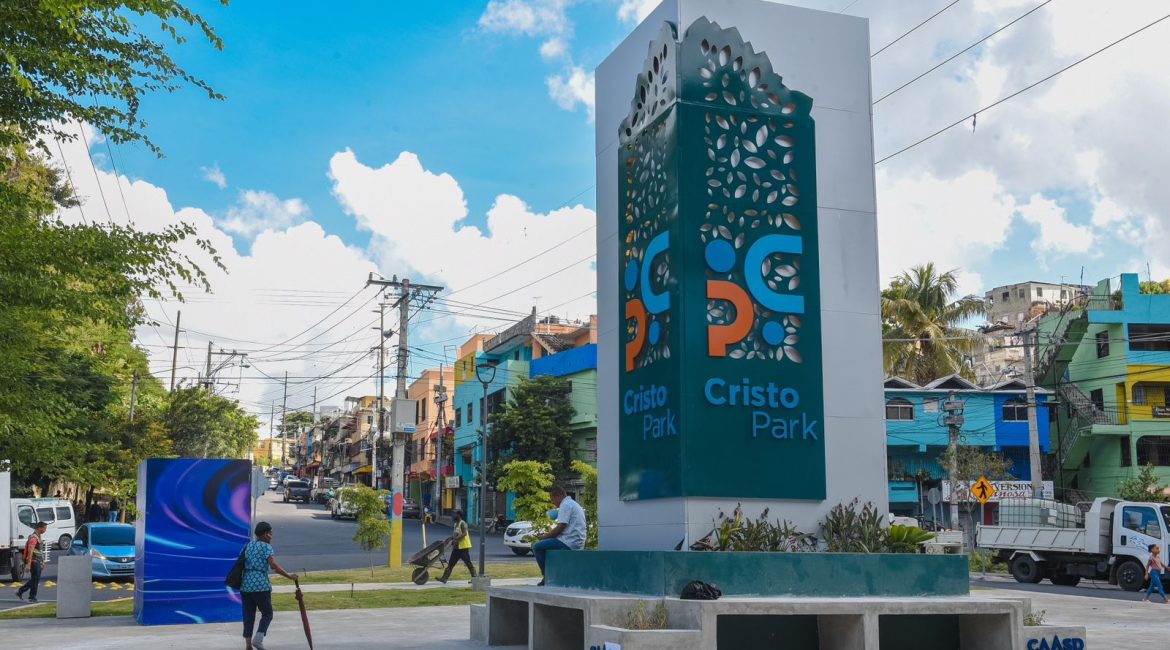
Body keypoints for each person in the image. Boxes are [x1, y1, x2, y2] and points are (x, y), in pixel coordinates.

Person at [240, 521, 298, 650]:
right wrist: (289, 576)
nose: (272, 535)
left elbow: (241, 563)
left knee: (249, 616)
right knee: (267, 613)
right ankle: (258, 640)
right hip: (260, 585)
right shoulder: (267, 547)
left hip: (245, 585)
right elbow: (274, 566)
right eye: (271, 533)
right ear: (265, 534)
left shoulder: (247, 546)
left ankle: (248, 645)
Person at [531, 485, 587, 586]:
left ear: (558, 496)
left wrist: (543, 537)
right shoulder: (573, 504)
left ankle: (547, 576)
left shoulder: (565, 505)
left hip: (569, 542)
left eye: (552, 499)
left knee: (537, 546)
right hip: (574, 541)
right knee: (545, 544)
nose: (552, 502)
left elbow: (560, 528)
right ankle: (551, 574)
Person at [437, 509, 476, 584]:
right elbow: (455, 534)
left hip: (463, 547)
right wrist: (451, 539)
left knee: (468, 563)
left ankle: (475, 578)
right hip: (456, 548)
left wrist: (456, 539)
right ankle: (444, 578)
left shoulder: (462, 523)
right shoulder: (456, 524)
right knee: (451, 563)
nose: (453, 515)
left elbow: (464, 534)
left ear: (459, 515)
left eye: (455, 514)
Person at [15, 521, 48, 603]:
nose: (45, 530)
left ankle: (20, 591)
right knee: (35, 580)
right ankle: (31, 597)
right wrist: (28, 564)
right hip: (33, 561)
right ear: (39, 528)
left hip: (38, 561)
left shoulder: (38, 536)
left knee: (35, 579)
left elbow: (39, 550)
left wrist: (43, 561)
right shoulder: (33, 538)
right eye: (44, 528)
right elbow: (30, 552)